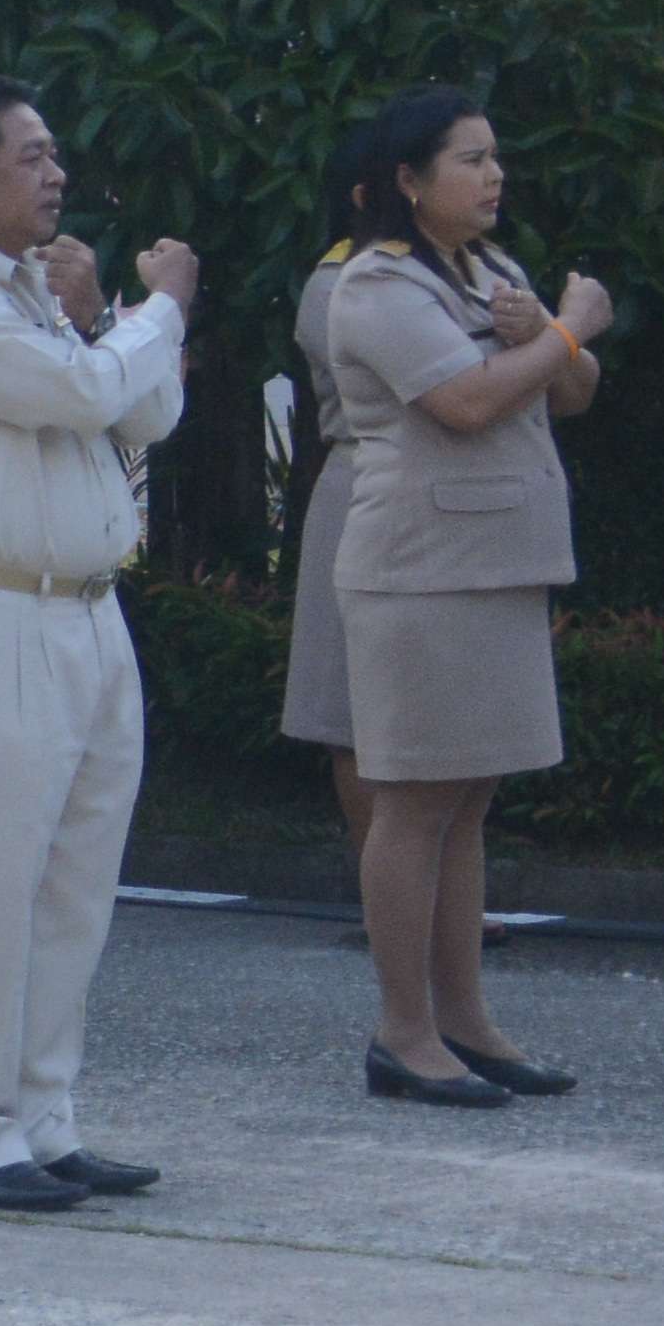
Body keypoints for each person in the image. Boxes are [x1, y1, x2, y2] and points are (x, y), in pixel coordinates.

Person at [0, 75, 194, 1213]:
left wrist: (112, 316)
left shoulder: (29, 291)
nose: (57, 174)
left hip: (86, 612)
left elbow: (144, 414)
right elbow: (87, 393)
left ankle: (42, 1117)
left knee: (71, 887)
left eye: (55, 153)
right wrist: (165, 309)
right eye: (32, 157)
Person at [330, 90, 602, 1103]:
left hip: (495, 560)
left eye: (495, 156)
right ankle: (404, 1031)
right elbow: (468, 400)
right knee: (414, 802)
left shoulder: (494, 271)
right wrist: (569, 329)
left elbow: (573, 390)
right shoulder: (376, 282)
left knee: (470, 799)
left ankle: (467, 1019)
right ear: (409, 181)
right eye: (469, 160)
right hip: (422, 568)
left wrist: (555, 338)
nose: (494, 176)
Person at [271, 116, 406, 831]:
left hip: (407, 492)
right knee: (356, 718)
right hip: (365, 488)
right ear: (365, 195)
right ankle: (384, 880)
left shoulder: (441, 272)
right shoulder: (341, 282)